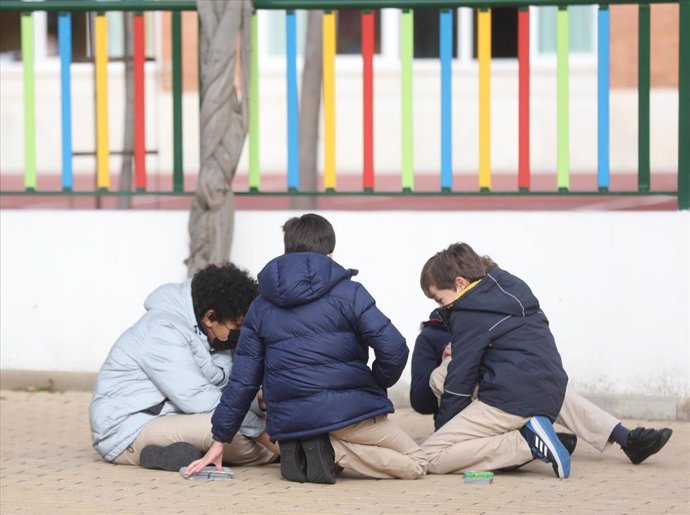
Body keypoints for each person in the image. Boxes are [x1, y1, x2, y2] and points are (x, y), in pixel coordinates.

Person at [184, 213, 428, 483]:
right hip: (349, 414)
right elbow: (394, 348)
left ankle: (310, 446)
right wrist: (374, 385)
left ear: (287, 249)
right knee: (417, 462)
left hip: (290, 422)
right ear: (330, 254)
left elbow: (243, 381)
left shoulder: (260, 306)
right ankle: (331, 451)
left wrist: (220, 439)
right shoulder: (350, 293)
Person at [412, 310, 673, 466]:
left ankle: (626, 439)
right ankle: (542, 441)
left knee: (543, 387)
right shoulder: (431, 335)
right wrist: (448, 361)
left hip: (501, 398)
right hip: (463, 413)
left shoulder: (494, 324)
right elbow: (420, 400)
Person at [89, 263, 278, 471]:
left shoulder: (209, 336)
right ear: (210, 317)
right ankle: (279, 453)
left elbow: (223, 392)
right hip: (126, 430)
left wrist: (257, 402)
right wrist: (265, 435)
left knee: (239, 423)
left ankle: (184, 453)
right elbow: (198, 398)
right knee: (226, 431)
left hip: (170, 415)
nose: (241, 334)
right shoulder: (162, 331)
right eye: (237, 327)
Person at [419, 242, 572, 478]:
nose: (441, 306)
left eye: (439, 299)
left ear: (460, 283)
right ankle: (533, 434)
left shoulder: (468, 312)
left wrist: (445, 432)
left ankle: (526, 442)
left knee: (428, 457)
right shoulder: (507, 285)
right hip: (548, 390)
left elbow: (461, 379)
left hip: (511, 397)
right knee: (439, 379)